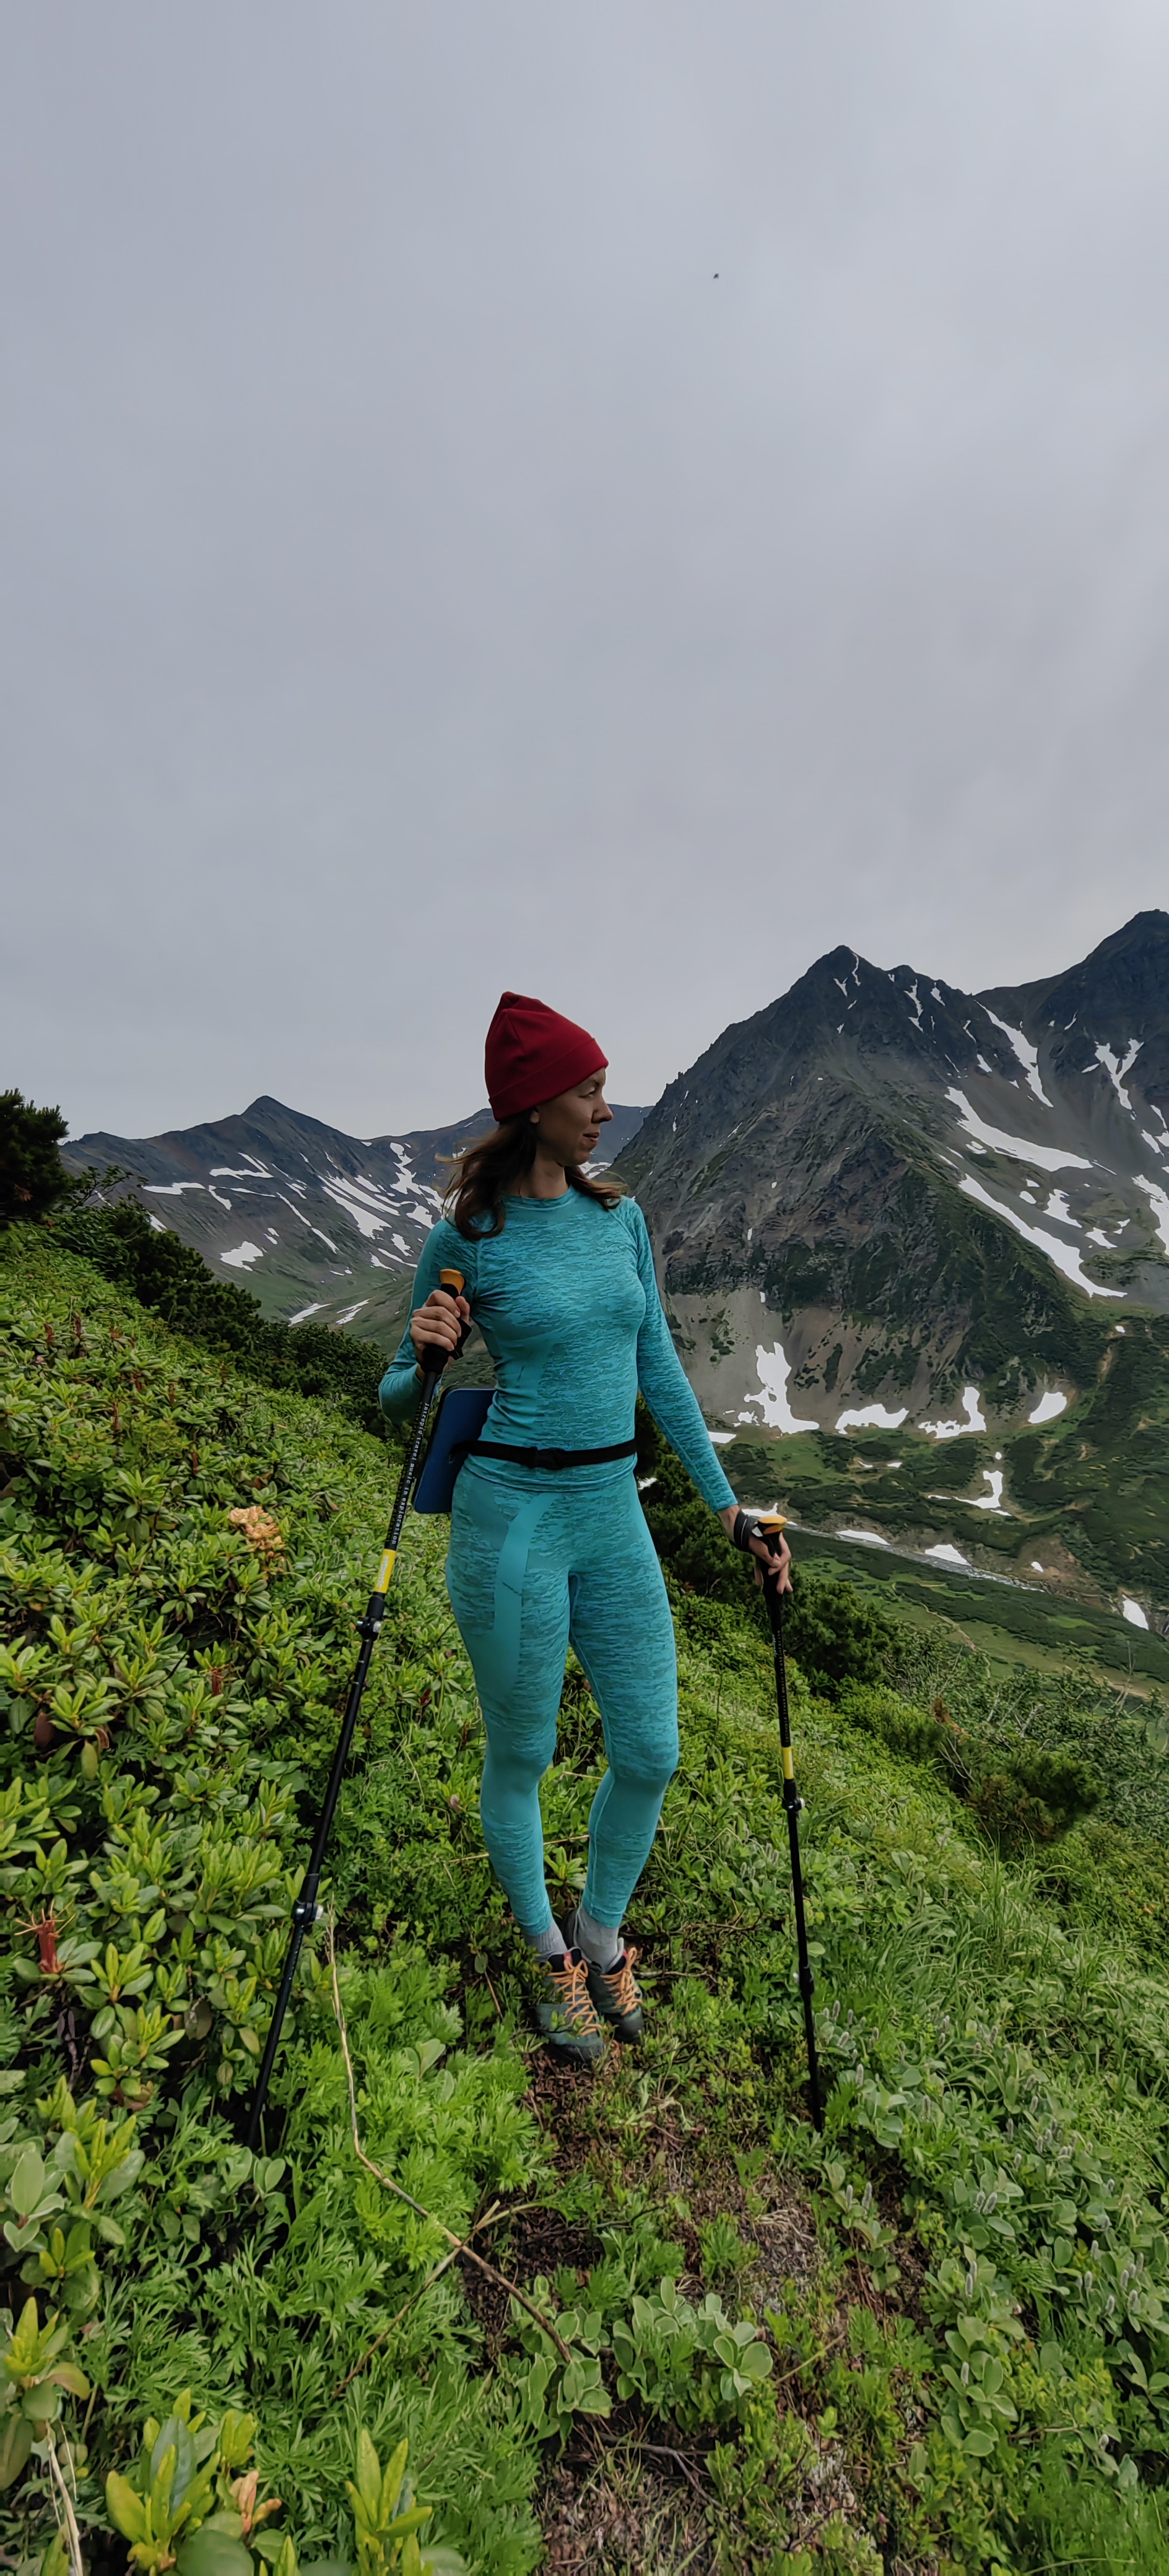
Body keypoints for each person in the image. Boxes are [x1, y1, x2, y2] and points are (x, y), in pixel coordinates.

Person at [379, 990, 791, 2063]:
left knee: (651, 1748)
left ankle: (601, 1937)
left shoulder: (624, 1220)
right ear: (534, 1104)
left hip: (614, 1515)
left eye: (604, 1086)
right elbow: (395, 1395)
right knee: (524, 1751)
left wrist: (726, 1506)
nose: (606, 1107)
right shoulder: (467, 1237)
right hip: (511, 1516)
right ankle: (545, 1951)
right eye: (589, 1088)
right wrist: (422, 1352)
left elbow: (657, 1363)